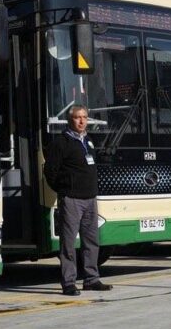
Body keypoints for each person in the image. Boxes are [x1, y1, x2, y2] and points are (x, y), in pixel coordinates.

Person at [43, 104, 113, 295]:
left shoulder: (88, 141)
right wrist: (63, 190)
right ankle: (68, 283)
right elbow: (50, 171)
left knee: (92, 241)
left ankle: (91, 279)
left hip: (90, 198)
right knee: (68, 243)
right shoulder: (61, 143)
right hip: (72, 199)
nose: (82, 121)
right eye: (77, 118)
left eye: (84, 117)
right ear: (70, 120)